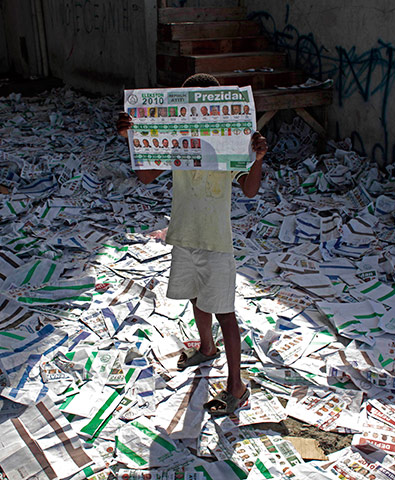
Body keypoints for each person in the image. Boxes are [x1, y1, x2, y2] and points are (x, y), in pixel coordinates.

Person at [116, 73, 267, 416]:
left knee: (225, 312)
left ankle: (236, 386)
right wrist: (134, 137)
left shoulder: (230, 145)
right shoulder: (178, 143)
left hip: (216, 241)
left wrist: (257, 159)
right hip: (186, 235)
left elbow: (250, 189)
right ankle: (206, 347)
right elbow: (145, 176)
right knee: (197, 297)